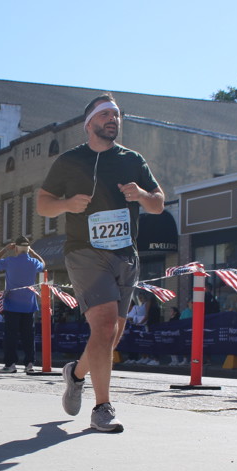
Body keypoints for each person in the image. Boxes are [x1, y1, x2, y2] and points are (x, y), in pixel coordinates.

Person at [37, 92, 165, 433]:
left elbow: (158, 204)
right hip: (85, 252)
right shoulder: (69, 161)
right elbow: (43, 204)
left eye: (117, 115)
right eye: (106, 114)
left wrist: (142, 195)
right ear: (89, 123)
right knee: (105, 326)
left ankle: (76, 374)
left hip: (125, 254)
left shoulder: (132, 160)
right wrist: (66, 204)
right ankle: (102, 408)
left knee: (111, 335)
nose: (113, 119)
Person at [0, 235, 45, 373]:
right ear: (28, 249)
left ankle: (10, 364)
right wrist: (33, 252)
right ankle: (29, 364)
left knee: (10, 336)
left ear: (16, 249)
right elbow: (43, 264)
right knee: (28, 336)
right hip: (29, 305)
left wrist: (5, 249)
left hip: (11, 304)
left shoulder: (10, 261)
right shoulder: (33, 262)